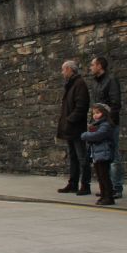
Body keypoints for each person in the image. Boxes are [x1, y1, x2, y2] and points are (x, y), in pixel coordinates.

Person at [57, 60, 91, 195]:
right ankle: (73, 183)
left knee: (82, 157)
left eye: (63, 70)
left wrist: (70, 120)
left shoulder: (79, 84)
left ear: (70, 69)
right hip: (70, 127)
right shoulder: (71, 84)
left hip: (76, 127)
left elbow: (81, 107)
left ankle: (85, 184)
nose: (62, 72)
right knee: (73, 157)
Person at [90, 57, 123, 198]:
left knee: (114, 156)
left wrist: (108, 121)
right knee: (102, 157)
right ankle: (107, 188)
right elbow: (95, 105)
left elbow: (115, 104)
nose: (90, 67)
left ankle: (116, 188)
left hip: (110, 124)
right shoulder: (96, 83)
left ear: (99, 66)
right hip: (99, 123)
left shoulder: (111, 80)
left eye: (92, 65)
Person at [82, 103, 116, 206]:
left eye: (98, 113)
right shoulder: (97, 125)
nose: (95, 115)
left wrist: (85, 135)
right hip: (97, 154)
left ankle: (108, 197)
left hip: (104, 154)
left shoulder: (106, 125)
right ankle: (103, 195)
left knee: (104, 176)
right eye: (94, 113)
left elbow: (98, 136)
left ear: (104, 113)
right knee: (100, 177)